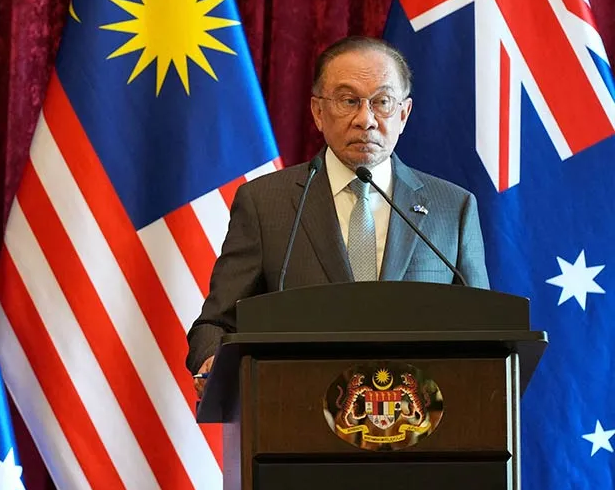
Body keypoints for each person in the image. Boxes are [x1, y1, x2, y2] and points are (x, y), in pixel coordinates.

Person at [186, 35, 488, 393]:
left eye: (382, 102)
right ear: (318, 112)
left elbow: (483, 328)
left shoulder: (452, 207)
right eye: (348, 101)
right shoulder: (265, 203)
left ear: (404, 114)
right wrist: (211, 359)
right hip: (297, 415)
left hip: (419, 426)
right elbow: (216, 324)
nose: (366, 119)